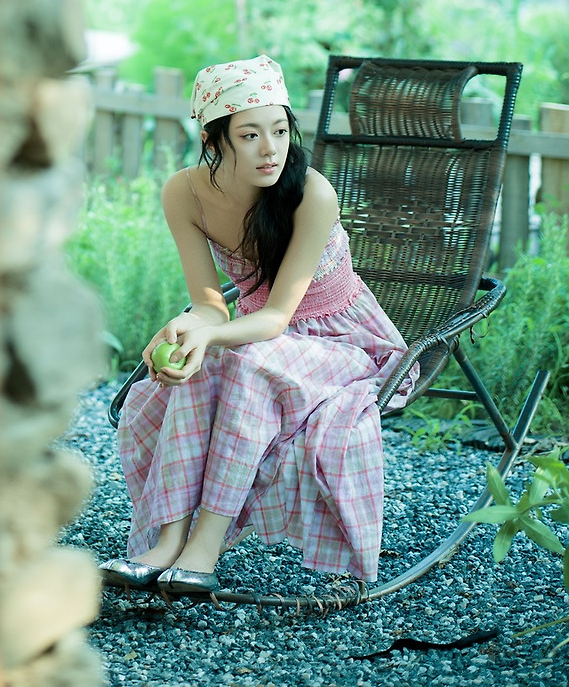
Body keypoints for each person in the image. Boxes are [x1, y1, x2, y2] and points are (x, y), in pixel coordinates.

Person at [100, 54, 415, 598]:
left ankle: (205, 546)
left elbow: (277, 317)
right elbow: (209, 306)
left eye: (280, 131)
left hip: (343, 344)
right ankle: (166, 543)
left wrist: (210, 336)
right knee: (204, 361)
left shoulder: (311, 193)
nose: (271, 149)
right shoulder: (184, 193)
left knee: (243, 360)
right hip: (261, 337)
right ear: (213, 138)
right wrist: (185, 330)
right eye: (250, 135)